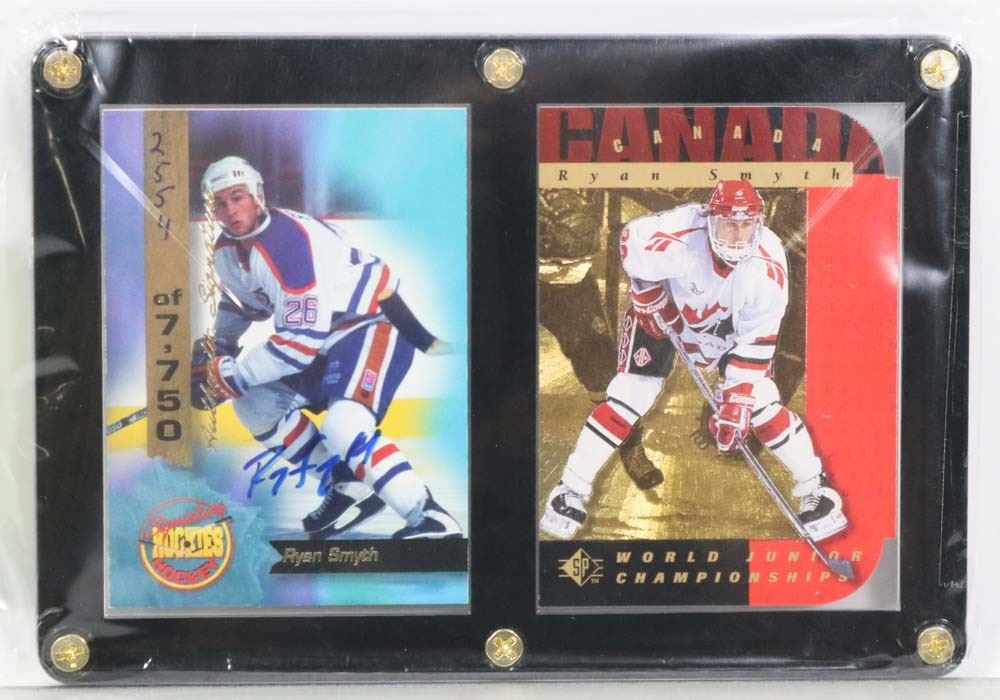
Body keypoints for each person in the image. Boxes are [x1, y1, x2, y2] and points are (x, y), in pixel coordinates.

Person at [540, 180, 847, 542]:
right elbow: (631, 242)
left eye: (746, 224)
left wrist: (736, 402)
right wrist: (648, 292)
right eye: (728, 224)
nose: (738, 235)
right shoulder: (681, 231)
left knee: (761, 404)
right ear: (709, 218)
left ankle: (817, 490)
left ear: (759, 223)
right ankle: (570, 491)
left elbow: (757, 340)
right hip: (663, 317)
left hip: (727, 327)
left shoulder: (769, 264)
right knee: (629, 397)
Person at [192, 156, 461, 540]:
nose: (231, 210)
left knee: (343, 425)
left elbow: (299, 345)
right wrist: (219, 345)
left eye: (238, 197)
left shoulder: (287, 244)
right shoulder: (226, 251)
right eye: (220, 203)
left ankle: (430, 517)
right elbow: (245, 304)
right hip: (321, 337)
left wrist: (235, 374)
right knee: (255, 405)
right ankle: (347, 484)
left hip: (368, 322)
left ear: (258, 196)